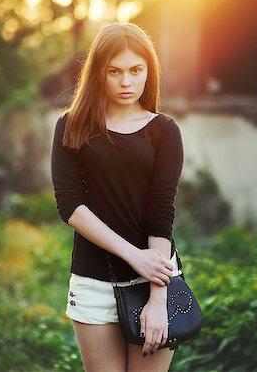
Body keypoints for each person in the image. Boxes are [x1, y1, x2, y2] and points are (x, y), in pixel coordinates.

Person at [51, 22, 184, 372]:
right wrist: (132, 255)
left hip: (153, 281)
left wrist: (158, 297)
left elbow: (160, 213)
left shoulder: (164, 131)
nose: (126, 82)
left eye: (136, 70)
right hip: (93, 282)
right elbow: (70, 205)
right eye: (115, 72)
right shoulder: (71, 126)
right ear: (99, 74)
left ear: (148, 72)